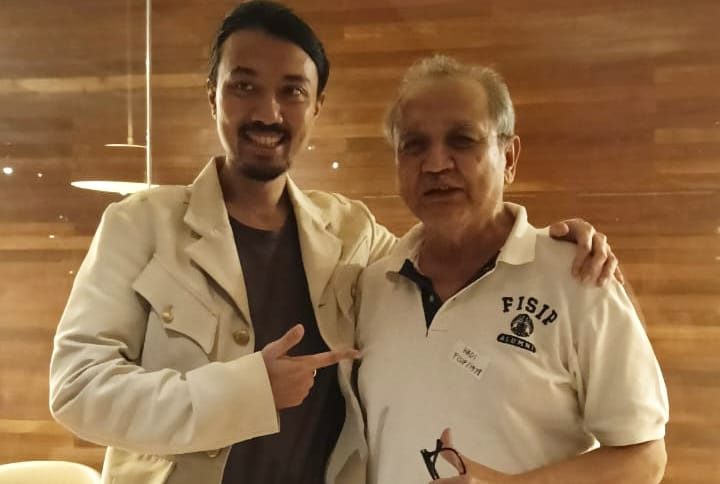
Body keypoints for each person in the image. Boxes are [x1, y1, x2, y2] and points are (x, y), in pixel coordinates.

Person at [49, 2, 618, 484]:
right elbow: (77, 389)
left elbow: (450, 249)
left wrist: (549, 244)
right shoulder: (139, 226)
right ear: (213, 96)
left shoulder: (353, 234)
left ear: (316, 106)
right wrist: (244, 392)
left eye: (292, 91)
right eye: (244, 86)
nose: (268, 112)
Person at [354, 55, 669, 484]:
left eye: (462, 140)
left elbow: (645, 457)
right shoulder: (372, 286)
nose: (436, 164)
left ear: (509, 156)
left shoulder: (578, 276)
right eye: (414, 145)